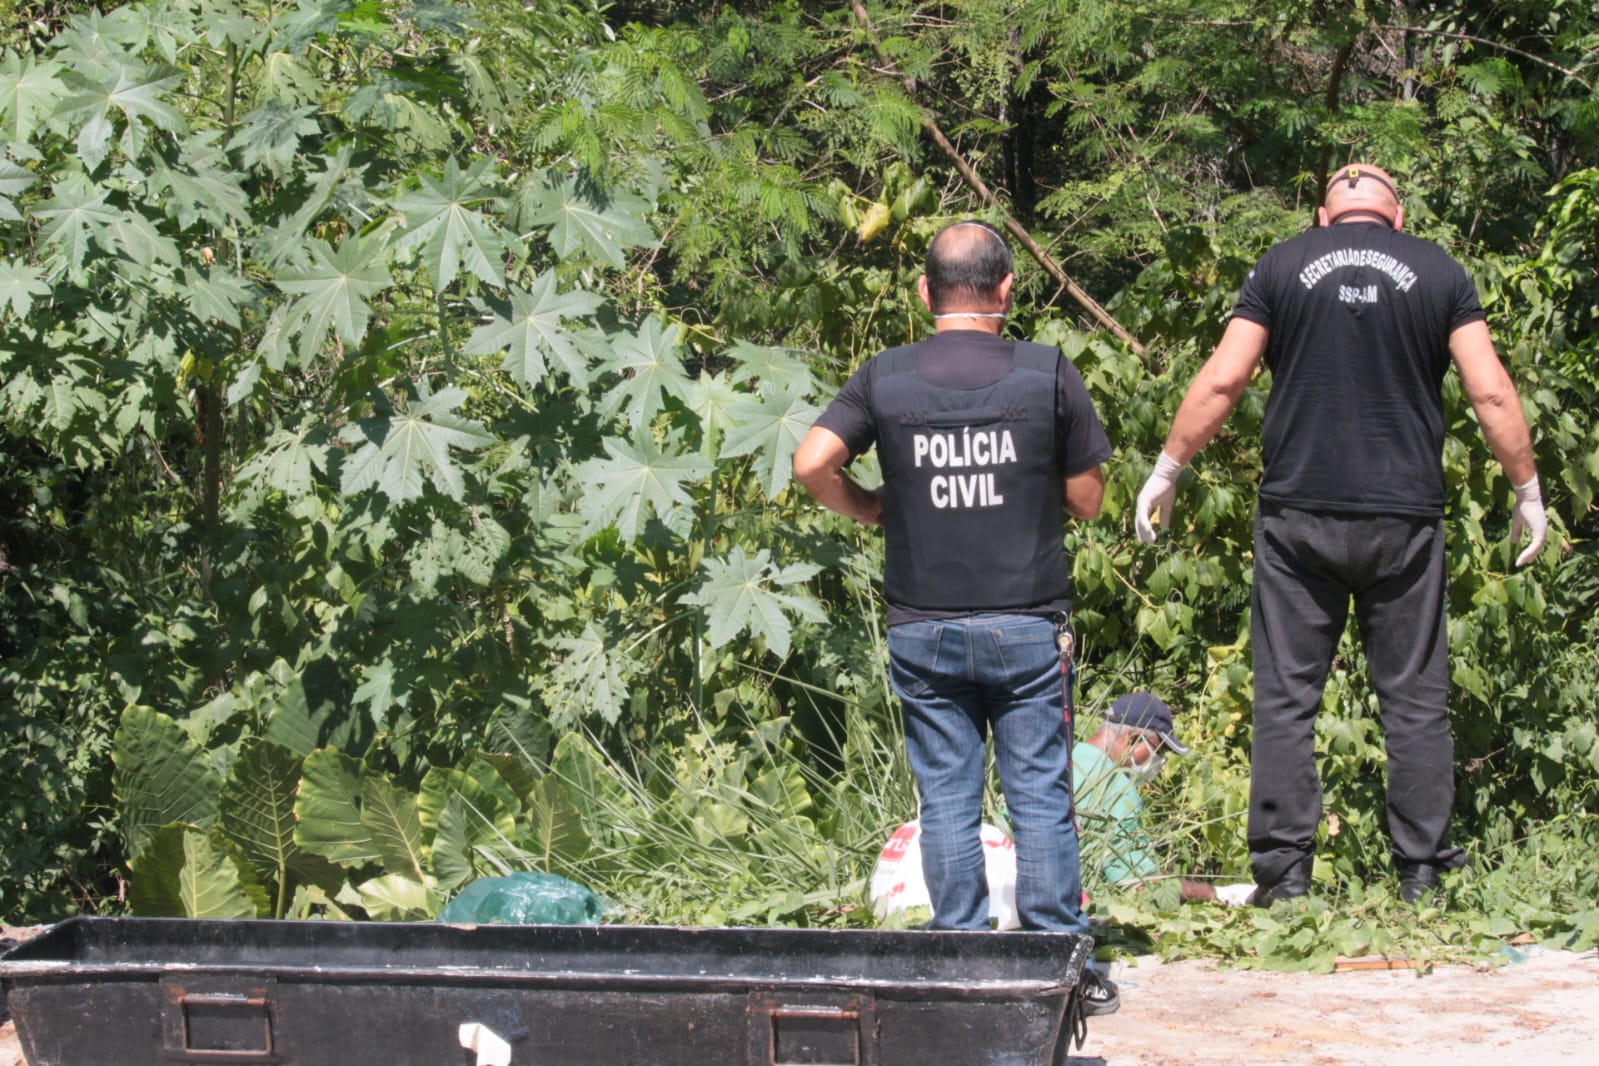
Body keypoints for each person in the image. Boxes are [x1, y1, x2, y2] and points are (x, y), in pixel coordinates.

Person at [1134, 164, 1548, 906]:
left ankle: (1284, 883)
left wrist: (1168, 467)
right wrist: (1527, 489)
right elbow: (1489, 390)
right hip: (1404, 518)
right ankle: (1421, 877)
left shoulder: (1281, 264)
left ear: (1323, 218)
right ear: (1398, 216)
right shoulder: (1439, 271)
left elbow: (1224, 380)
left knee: (1286, 699)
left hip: (1298, 516)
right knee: (1414, 699)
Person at [793, 219, 1117, 1010]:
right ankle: (1053, 963)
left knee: (946, 797)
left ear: (923, 292)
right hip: (1025, 623)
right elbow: (1088, 498)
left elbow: (810, 462)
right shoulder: (1045, 374)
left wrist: (871, 508)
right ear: (1006, 289)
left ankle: (961, 956)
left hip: (921, 623)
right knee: (1039, 791)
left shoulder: (886, 377)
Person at [1073, 692, 1244, 903]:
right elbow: (1140, 884)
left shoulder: (1067, 758)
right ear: (1135, 739)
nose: (1159, 763)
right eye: (1158, 751)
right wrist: (1220, 894)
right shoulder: (1115, 788)